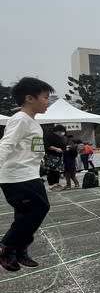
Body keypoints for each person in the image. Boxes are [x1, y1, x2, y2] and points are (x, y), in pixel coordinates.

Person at [0, 77, 54, 272]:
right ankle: (6, 247)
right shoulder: (20, 119)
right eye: (46, 97)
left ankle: (19, 249)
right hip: (17, 177)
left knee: (24, 215)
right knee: (39, 209)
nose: (48, 101)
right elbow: (6, 145)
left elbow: (33, 149)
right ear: (30, 98)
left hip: (28, 174)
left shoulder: (32, 122)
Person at [43, 124, 67, 191]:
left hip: (59, 156)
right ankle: (51, 185)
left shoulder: (61, 137)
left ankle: (56, 184)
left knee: (57, 170)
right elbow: (46, 145)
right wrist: (55, 149)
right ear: (57, 131)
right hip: (51, 155)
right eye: (61, 131)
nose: (62, 133)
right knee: (51, 170)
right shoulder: (49, 136)